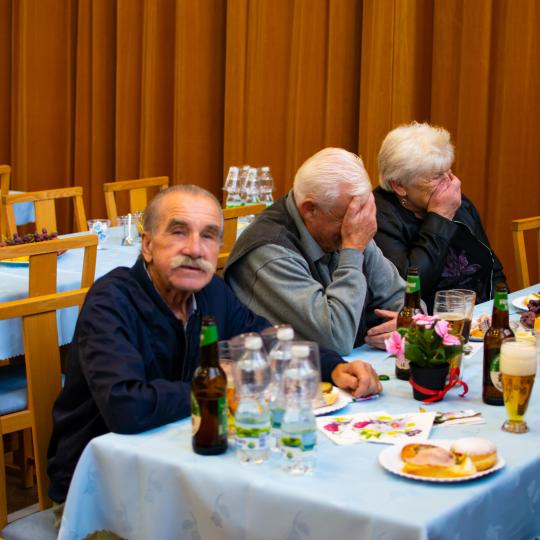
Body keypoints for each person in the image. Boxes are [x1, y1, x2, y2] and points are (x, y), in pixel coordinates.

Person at [47, 184, 381, 507]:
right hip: (101, 487)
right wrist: (219, 384)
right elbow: (126, 406)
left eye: (208, 235)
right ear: (147, 245)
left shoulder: (211, 292)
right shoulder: (112, 301)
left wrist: (333, 366)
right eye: (179, 232)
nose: (195, 249)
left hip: (184, 468)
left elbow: (266, 338)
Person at [224, 148, 405, 356]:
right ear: (310, 209)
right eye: (345, 219)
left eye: (358, 217)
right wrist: (352, 252)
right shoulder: (269, 252)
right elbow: (336, 340)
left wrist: (407, 325)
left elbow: (408, 303)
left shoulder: (349, 227)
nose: (356, 227)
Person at [374, 122, 506, 311]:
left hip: (480, 317)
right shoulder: (379, 217)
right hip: (426, 323)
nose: (450, 183)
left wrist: (501, 311)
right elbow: (408, 288)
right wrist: (439, 218)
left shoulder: (457, 201)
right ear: (399, 185)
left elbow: (492, 266)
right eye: (436, 176)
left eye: (448, 171)